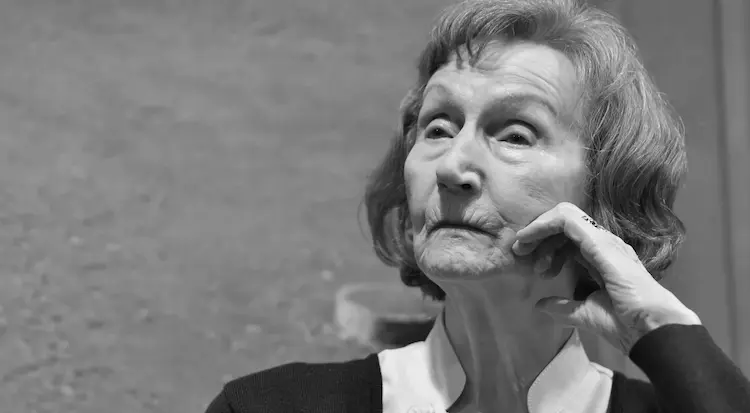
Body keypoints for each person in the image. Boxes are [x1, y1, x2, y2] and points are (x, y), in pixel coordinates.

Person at [205, 0, 750, 412]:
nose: (451, 166)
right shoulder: (267, 407)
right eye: (438, 128)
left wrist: (656, 325)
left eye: (515, 135)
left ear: (605, 191)